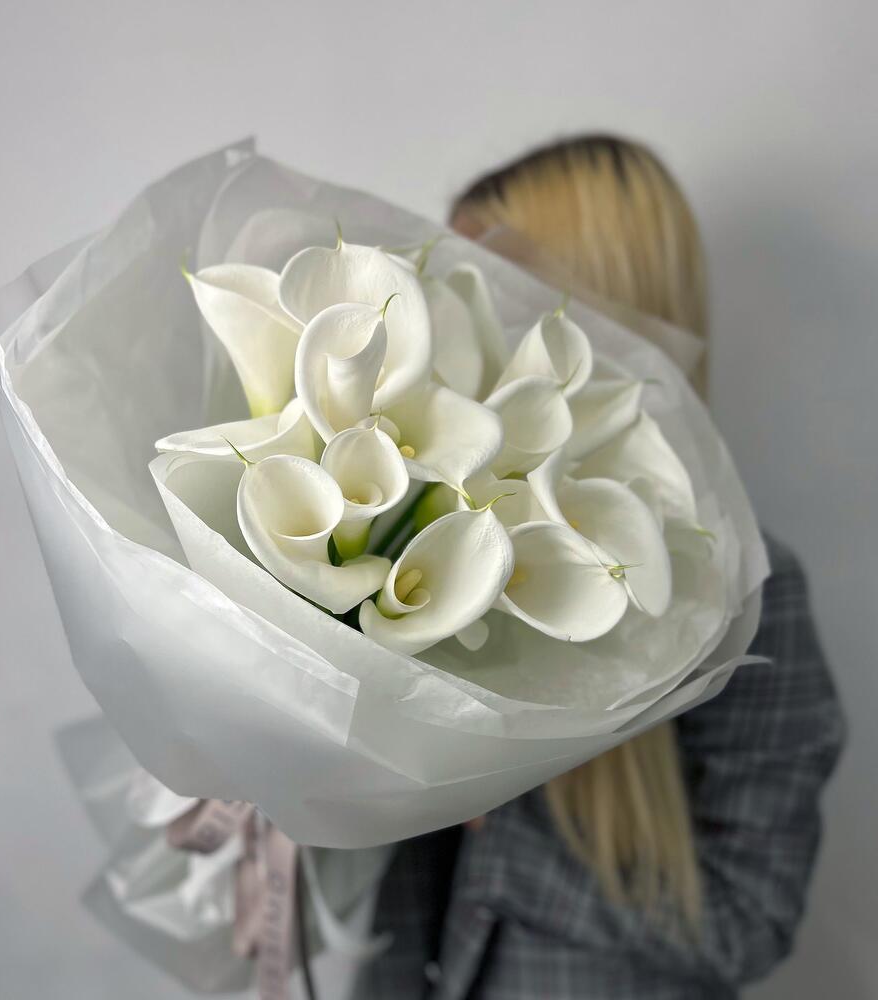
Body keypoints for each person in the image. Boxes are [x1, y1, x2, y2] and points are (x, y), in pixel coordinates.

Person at [354, 135, 846, 1000]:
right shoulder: (439, 536)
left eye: (489, 281)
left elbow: (750, 921)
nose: (451, 316)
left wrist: (486, 815)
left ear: (596, 298)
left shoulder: (750, 599)